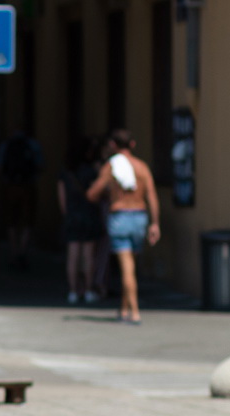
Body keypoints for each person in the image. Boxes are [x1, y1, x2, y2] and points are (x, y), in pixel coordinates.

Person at [87, 128, 160, 324]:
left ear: (112, 145)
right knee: (131, 266)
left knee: (126, 267)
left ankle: (134, 311)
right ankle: (124, 309)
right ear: (133, 145)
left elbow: (92, 193)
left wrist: (108, 193)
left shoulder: (112, 167)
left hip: (120, 216)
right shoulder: (142, 167)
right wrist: (155, 223)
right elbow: (151, 196)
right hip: (140, 216)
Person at [57, 135, 104, 304]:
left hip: (72, 215)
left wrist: (68, 215)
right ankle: (89, 290)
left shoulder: (66, 172)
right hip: (89, 214)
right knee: (88, 256)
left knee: (73, 255)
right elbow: (97, 195)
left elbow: (62, 199)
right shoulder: (92, 170)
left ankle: (73, 291)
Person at [0, 129, 44, 270]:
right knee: (27, 221)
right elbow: (41, 165)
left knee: (11, 221)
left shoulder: (6, 145)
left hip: (11, 187)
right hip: (27, 186)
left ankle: (14, 253)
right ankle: (22, 252)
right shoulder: (32, 144)